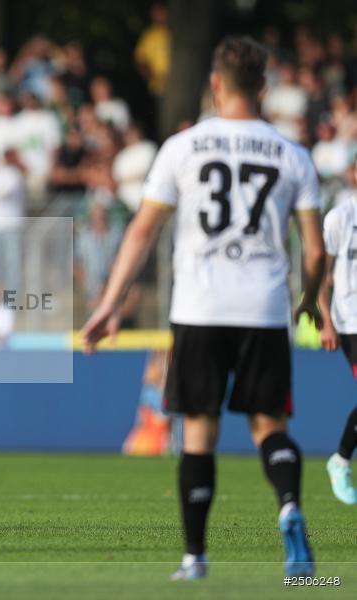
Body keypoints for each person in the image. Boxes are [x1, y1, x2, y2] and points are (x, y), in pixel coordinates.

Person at [81, 37, 324, 580]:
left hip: (199, 306)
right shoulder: (292, 154)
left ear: (216, 83)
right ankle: (288, 506)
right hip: (263, 307)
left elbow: (143, 229)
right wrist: (312, 300)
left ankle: (195, 558)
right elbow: (315, 250)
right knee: (269, 424)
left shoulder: (183, 147)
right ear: (262, 88)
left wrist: (108, 302)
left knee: (199, 429)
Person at [318, 160, 357, 506]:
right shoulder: (340, 217)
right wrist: (326, 320)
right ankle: (341, 460)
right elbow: (319, 271)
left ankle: (341, 459)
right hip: (351, 321)